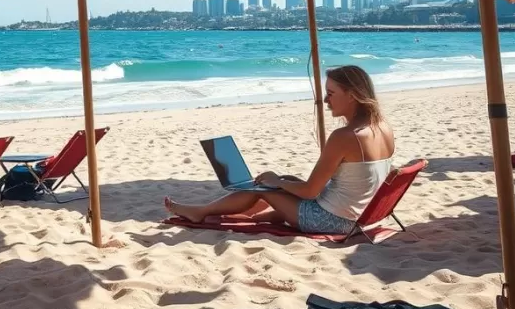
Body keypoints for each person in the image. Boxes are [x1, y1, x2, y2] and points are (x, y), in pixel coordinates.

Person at [165, 65, 394, 235]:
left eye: (331, 93)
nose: (325, 100)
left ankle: (202, 211)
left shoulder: (344, 136)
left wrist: (276, 181)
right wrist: (282, 181)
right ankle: (232, 210)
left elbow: (309, 192)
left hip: (332, 220)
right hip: (357, 214)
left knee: (265, 188)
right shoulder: (383, 128)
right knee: (284, 180)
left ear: (352, 95)